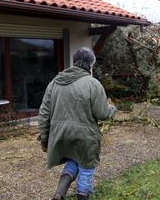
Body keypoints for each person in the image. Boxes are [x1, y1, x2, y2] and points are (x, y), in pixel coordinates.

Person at [38, 47, 116, 200]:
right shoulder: (93, 84)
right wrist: (113, 109)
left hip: (60, 135)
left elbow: (44, 114)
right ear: (89, 65)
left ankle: (59, 193)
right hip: (84, 137)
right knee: (86, 168)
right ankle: (82, 197)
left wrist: (45, 138)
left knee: (73, 160)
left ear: (74, 63)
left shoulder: (54, 83)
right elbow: (102, 113)